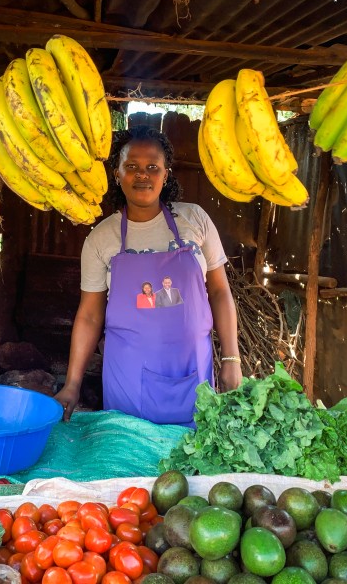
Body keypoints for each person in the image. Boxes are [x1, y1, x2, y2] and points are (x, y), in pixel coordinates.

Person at [55, 125, 242, 427]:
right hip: (128, 377)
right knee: (129, 457)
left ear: (166, 174)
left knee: (193, 462)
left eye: (152, 167)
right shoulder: (102, 238)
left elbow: (220, 292)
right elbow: (89, 315)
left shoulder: (194, 219)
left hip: (193, 370)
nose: (142, 175)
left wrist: (231, 359)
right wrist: (72, 384)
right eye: (131, 167)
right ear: (117, 174)